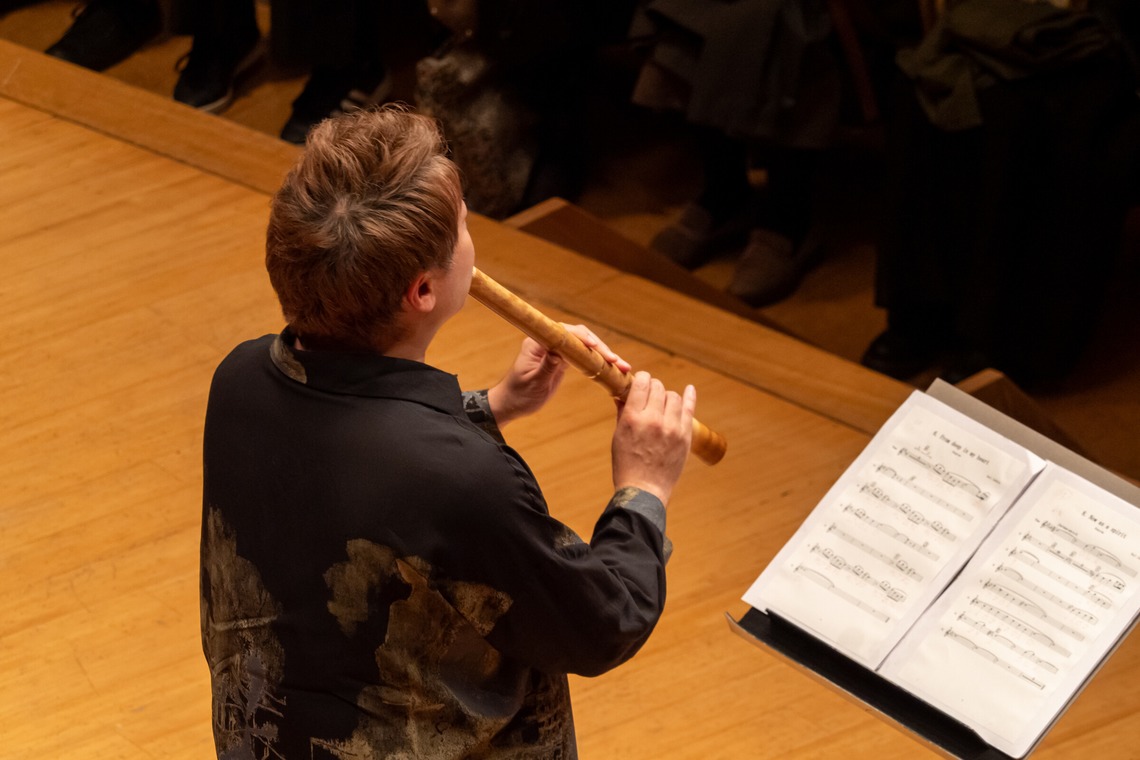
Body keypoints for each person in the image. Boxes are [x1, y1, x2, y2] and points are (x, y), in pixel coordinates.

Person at [200, 105, 697, 758]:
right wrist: (644, 485)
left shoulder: (241, 378)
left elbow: (363, 472)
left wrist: (492, 406)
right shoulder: (460, 481)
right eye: (463, 227)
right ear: (423, 292)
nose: (470, 240)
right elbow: (601, 624)